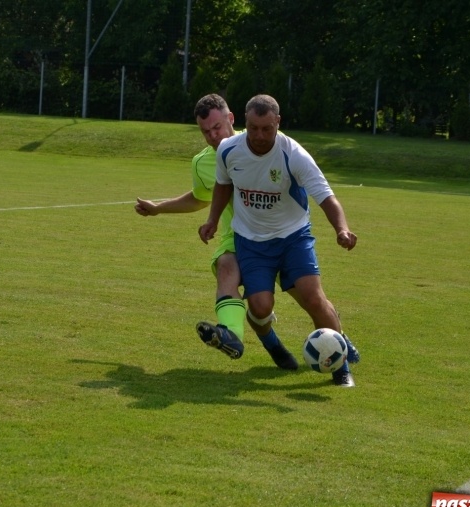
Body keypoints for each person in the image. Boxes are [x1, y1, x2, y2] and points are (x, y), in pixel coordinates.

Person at [198, 94, 360, 386]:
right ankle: (274, 347)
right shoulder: (228, 150)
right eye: (253, 128)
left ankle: (342, 367)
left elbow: (326, 197)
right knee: (260, 306)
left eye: (267, 129)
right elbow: (223, 185)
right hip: (251, 241)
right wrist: (212, 220)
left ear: (278, 123)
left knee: (312, 297)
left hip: (293, 238)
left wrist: (342, 229)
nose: (259, 136)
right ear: (245, 123)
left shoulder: (293, 154)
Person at [135, 94, 247, 359]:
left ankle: (338, 345)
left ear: (231, 119)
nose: (212, 136)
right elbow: (199, 198)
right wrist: (159, 208)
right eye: (205, 132)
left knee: (307, 296)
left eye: (217, 127)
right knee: (225, 266)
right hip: (239, 235)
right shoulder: (202, 162)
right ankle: (231, 335)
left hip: (281, 233)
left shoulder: (261, 142)